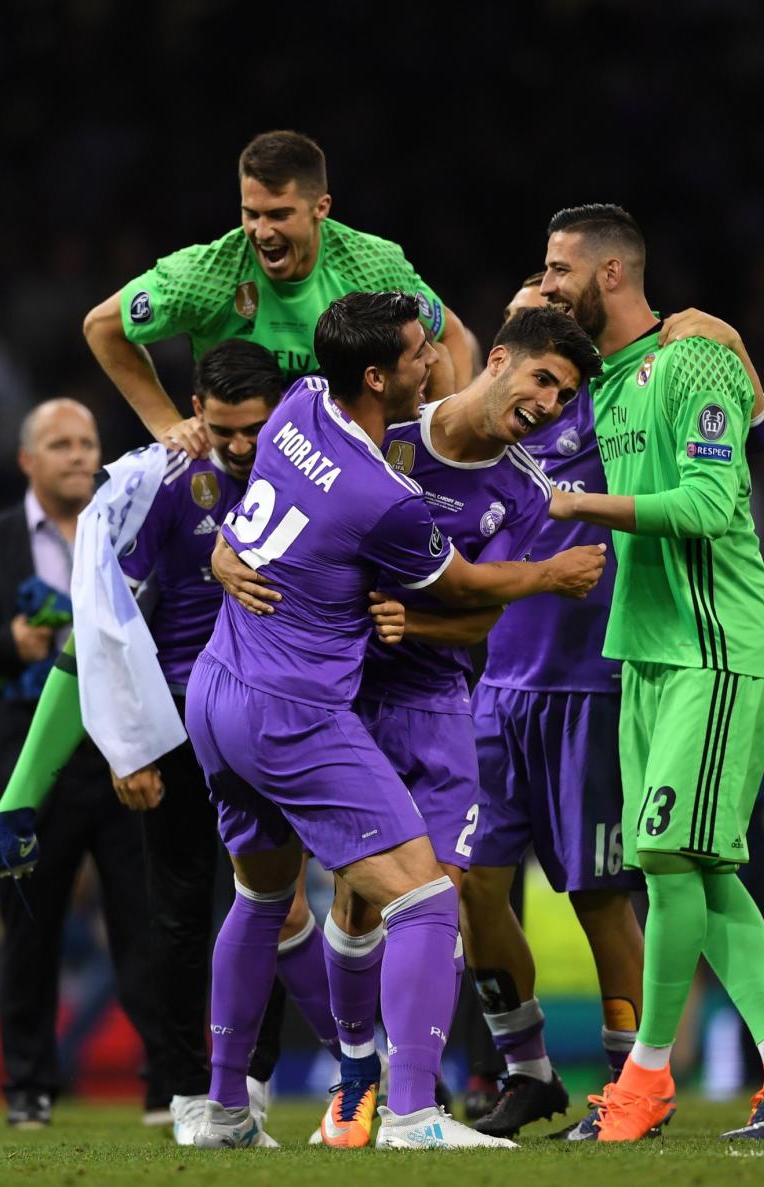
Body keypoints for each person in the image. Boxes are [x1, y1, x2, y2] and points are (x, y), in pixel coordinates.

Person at [187, 289, 606, 1151]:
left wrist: (228, 550)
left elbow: (269, 507)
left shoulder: (300, 404)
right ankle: (406, 1111)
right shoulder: (388, 489)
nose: (435, 359)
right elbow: (459, 583)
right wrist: (550, 574)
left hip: (222, 688)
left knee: (263, 896)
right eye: (421, 352)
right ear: (378, 374)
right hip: (305, 707)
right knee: (418, 899)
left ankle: (225, 1110)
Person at [0, 342, 341, 1143]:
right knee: (182, 914)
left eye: (253, 428)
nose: (239, 446)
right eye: (222, 429)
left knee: (275, 907)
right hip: (185, 713)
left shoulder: (316, 472)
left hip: (275, 713)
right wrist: (132, 744)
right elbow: (115, 616)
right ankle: (193, 1090)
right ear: (193, 410)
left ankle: (259, 1081)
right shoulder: (159, 483)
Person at [539, 202, 764, 1141]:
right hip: (648, 650)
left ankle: (647, 1079)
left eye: (558, 270)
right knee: (698, 873)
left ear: (613, 273)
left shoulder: (689, 357)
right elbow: (754, 407)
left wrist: (587, 503)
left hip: (715, 647)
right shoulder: (613, 378)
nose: (548, 283)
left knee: (671, 863)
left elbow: (711, 501)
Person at [464, 278, 764, 1141]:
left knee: (603, 894)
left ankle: (630, 1076)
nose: (546, 289)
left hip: (591, 681)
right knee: (471, 885)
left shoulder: (615, 395)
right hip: (498, 687)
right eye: (533, 289)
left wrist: (736, 345)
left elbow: (745, 435)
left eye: (559, 276)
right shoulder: (499, 416)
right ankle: (524, 1067)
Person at [0, 400, 166, 1127]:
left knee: (145, 922)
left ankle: (166, 1079)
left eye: (87, 443)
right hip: (25, 758)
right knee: (28, 928)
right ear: (27, 459)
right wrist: (9, 641)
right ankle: (29, 1084)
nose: (76, 455)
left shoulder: (128, 528)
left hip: (118, 755)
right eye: (59, 444)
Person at [82, 129, 472, 459]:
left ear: (321, 207)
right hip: (241, 464)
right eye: (252, 213)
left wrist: (439, 449)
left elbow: (448, 334)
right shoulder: (204, 275)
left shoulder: (372, 266)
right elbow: (101, 327)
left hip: (347, 466)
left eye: (280, 215)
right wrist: (166, 425)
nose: (262, 232)